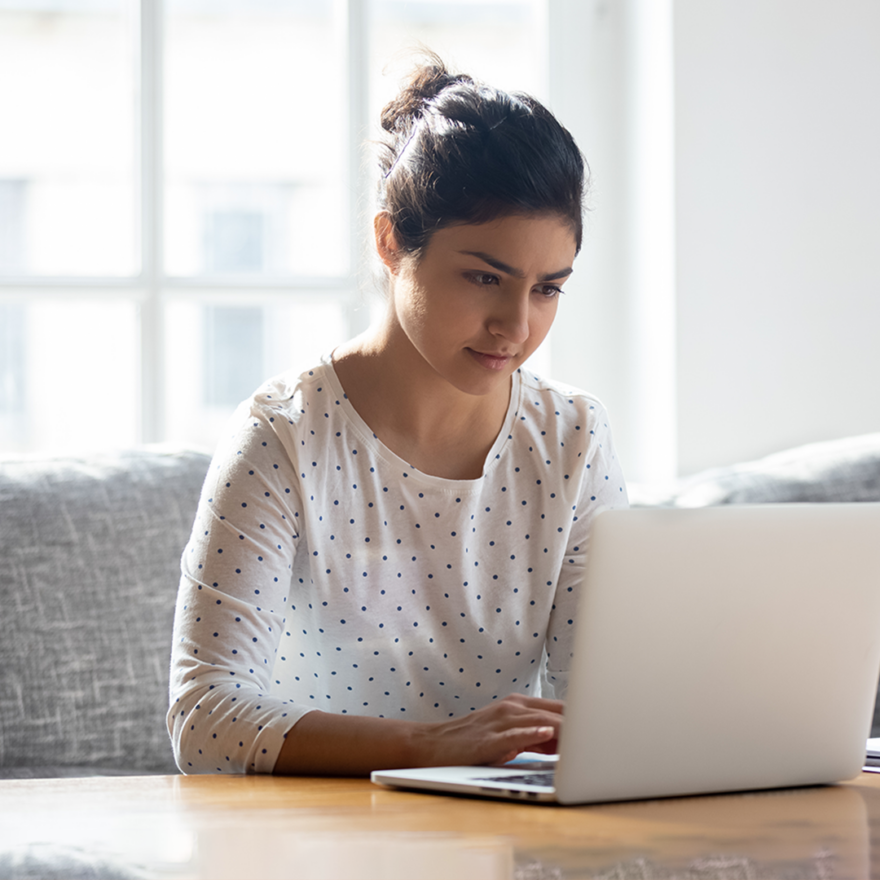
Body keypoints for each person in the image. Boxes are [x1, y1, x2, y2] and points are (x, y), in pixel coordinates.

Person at [167, 53, 628, 776]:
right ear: (390, 243)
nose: (516, 325)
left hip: (501, 836)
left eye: (548, 289)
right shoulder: (284, 435)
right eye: (484, 277)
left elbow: (602, 711)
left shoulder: (573, 440)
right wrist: (429, 747)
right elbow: (205, 719)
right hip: (317, 836)